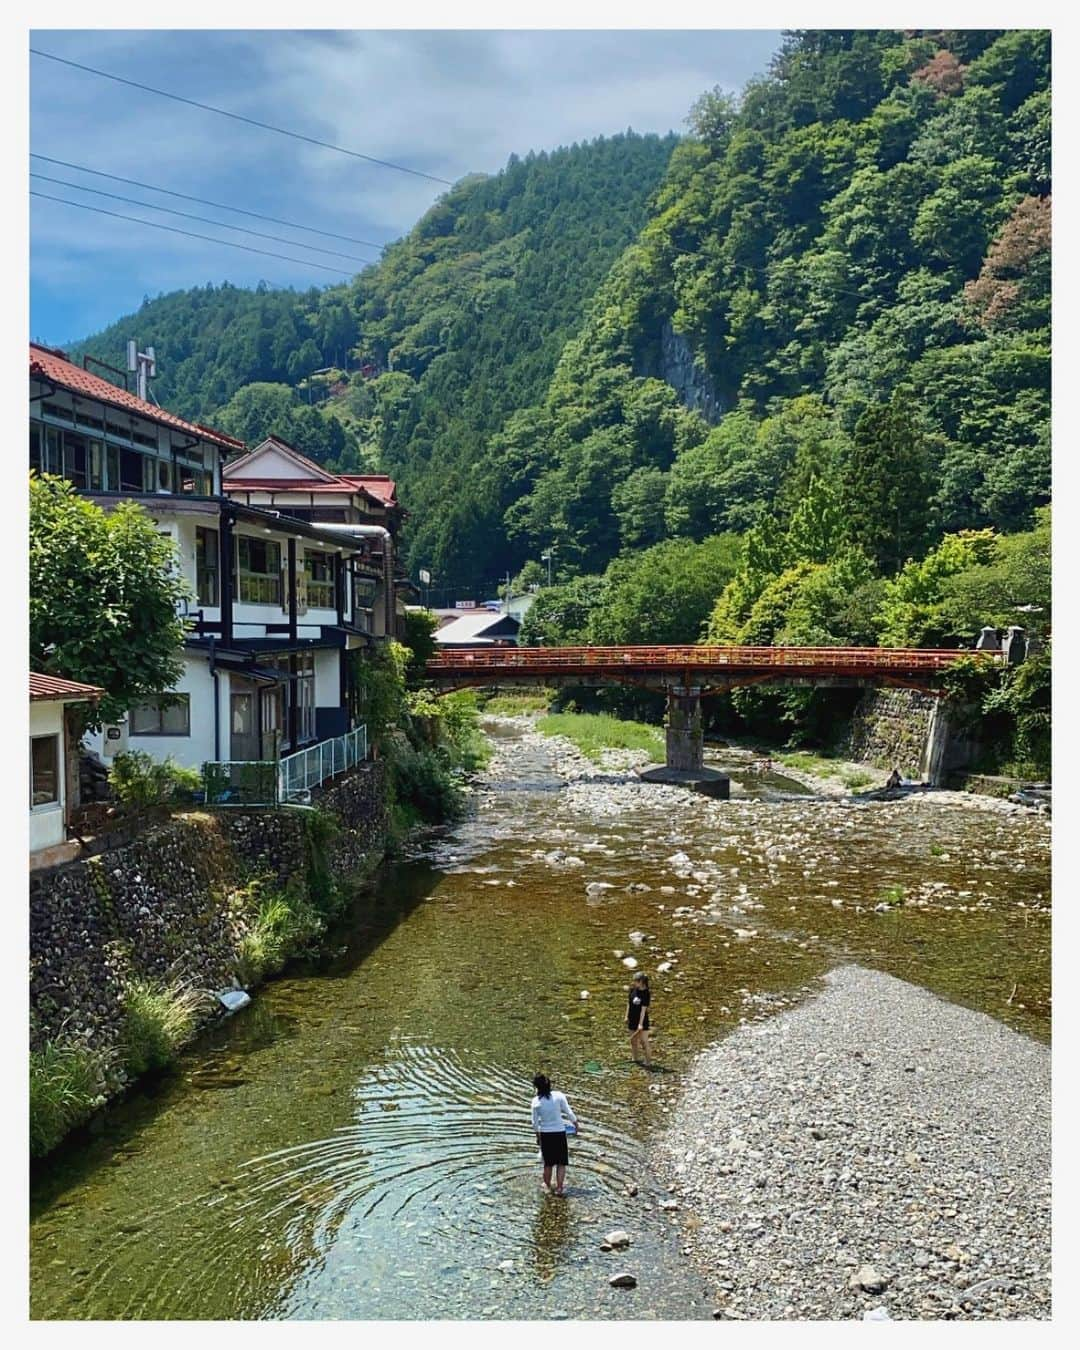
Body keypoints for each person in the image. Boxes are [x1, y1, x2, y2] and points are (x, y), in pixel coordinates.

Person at [530, 1073, 578, 1196]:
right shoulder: (559, 1096)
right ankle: (560, 1188)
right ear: (549, 1084)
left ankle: (546, 1185)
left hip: (546, 1135)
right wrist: (576, 1124)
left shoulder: (536, 1101)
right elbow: (568, 1112)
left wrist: (538, 1136)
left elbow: (535, 1123)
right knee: (561, 1163)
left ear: (536, 1087)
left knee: (548, 1164)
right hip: (560, 1133)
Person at [627, 971, 652, 1066]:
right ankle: (635, 1059)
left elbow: (643, 1010)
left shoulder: (646, 993)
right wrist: (626, 1016)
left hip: (641, 1020)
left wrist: (640, 1024)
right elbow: (629, 1003)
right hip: (632, 1019)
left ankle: (648, 1061)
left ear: (641, 981)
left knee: (644, 1042)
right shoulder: (633, 989)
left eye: (636, 981)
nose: (634, 983)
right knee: (633, 1040)